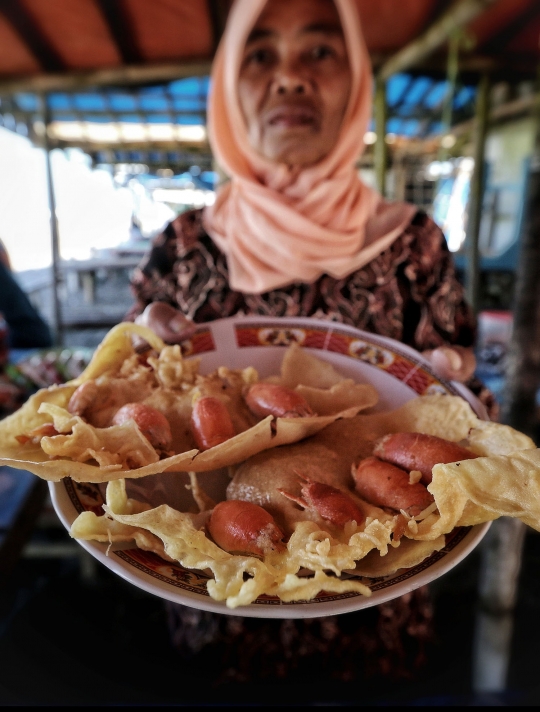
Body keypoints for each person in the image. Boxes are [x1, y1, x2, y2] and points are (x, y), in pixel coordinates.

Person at [126, 0, 492, 681]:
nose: (290, 78)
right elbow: (133, 437)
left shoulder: (414, 243)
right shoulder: (181, 247)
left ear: (355, 81)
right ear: (228, 85)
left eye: (319, 52)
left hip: (378, 604)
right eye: (260, 54)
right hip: (214, 607)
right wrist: (136, 367)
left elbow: (468, 412)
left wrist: (460, 387)